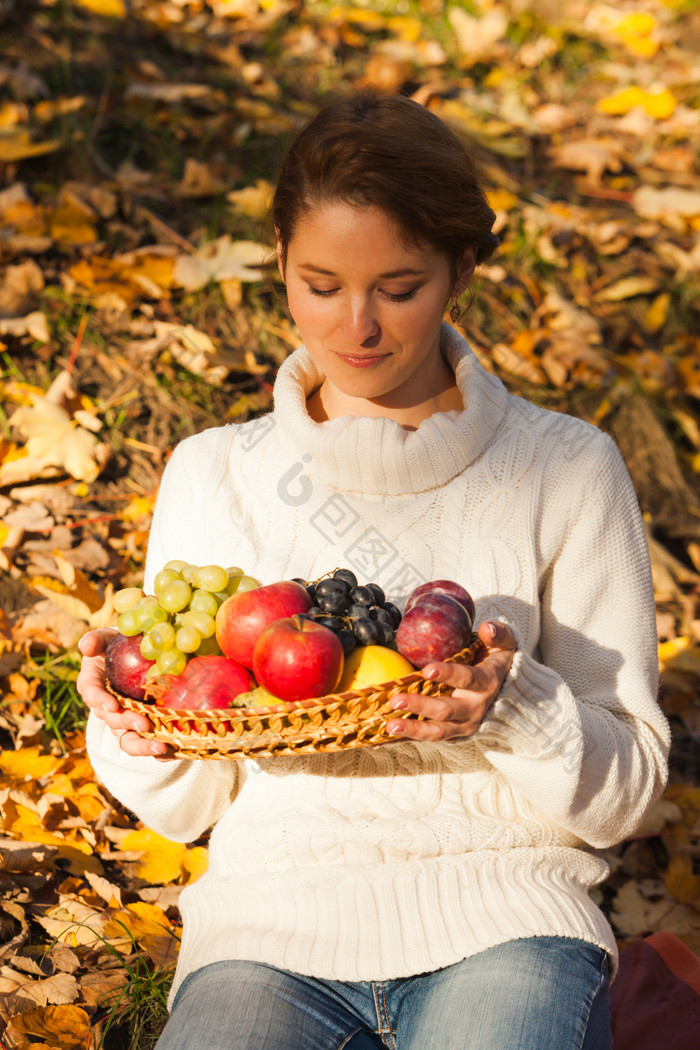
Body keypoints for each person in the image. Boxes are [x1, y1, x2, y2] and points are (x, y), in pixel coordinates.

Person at [78, 91, 670, 1050]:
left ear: (460, 270)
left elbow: (630, 795)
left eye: (398, 289)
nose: (356, 326)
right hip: (266, 935)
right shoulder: (216, 473)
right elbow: (189, 811)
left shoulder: (567, 467)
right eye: (319, 284)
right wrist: (138, 733)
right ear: (277, 263)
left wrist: (514, 704)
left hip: (509, 923)